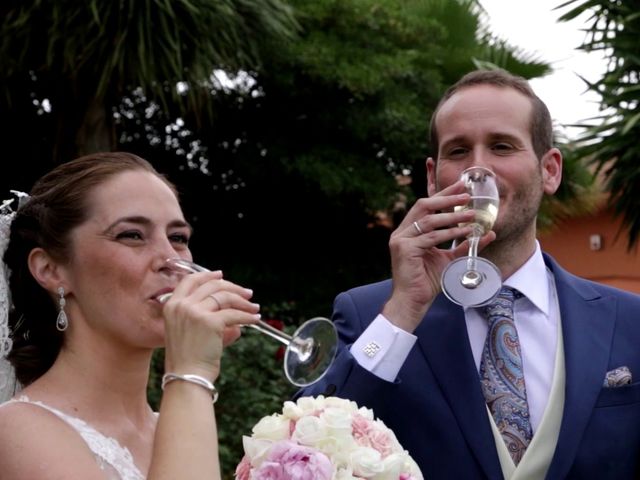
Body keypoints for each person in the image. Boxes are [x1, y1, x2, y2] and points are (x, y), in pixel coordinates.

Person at [298, 68, 640, 479]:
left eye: (501, 146)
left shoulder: (629, 320)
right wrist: (402, 313)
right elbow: (305, 453)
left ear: (549, 170)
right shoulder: (371, 313)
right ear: (432, 177)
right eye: (458, 151)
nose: (478, 170)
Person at [0, 152, 261, 479]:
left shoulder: (172, 423)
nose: (169, 258)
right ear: (51, 269)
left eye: (178, 238)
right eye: (132, 235)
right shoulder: (16, 433)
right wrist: (190, 372)